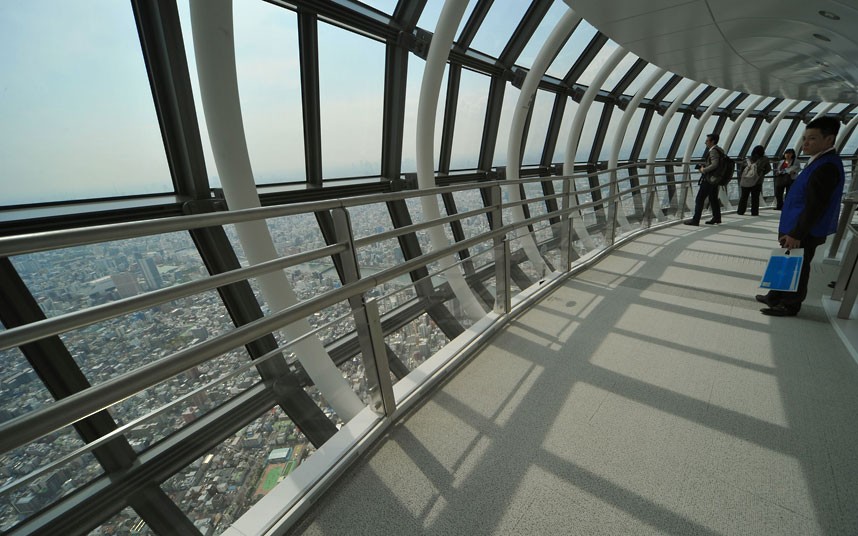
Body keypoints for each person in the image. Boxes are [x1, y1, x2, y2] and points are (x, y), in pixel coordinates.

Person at [756, 116, 846, 317]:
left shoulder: (827, 166)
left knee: (799, 264)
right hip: (798, 225)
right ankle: (775, 296)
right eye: (805, 137)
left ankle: (790, 304)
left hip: (804, 229)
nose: (805, 143)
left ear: (829, 140)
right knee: (789, 261)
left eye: (812, 138)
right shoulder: (821, 161)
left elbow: (815, 206)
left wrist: (796, 233)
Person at [684, 133, 724, 226]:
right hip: (716, 178)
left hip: (710, 179)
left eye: (707, 140)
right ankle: (717, 217)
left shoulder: (713, 151)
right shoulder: (720, 150)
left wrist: (703, 170)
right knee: (713, 198)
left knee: (699, 199)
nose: (705, 142)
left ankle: (695, 220)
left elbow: (715, 164)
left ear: (712, 141)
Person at [736, 145, 771, 216]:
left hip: (746, 181)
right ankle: (754, 212)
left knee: (744, 197)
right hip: (757, 181)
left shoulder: (747, 160)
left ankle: (741, 211)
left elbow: (741, 170)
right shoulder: (764, 159)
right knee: (755, 197)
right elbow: (768, 169)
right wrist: (761, 173)